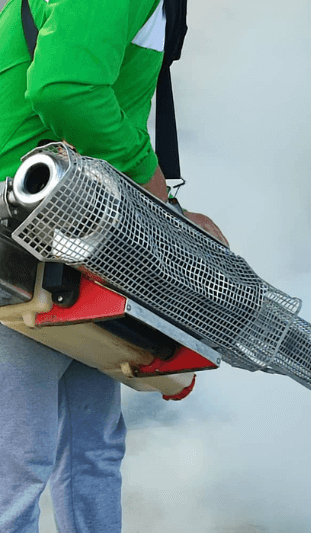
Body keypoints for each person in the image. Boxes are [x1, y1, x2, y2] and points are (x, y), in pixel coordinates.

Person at [0, 0, 226, 530]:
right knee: (21, 462)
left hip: (69, 216)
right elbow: (65, 88)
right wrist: (154, 188)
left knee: (92, 451)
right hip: (27, 222)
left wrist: (161, 209)